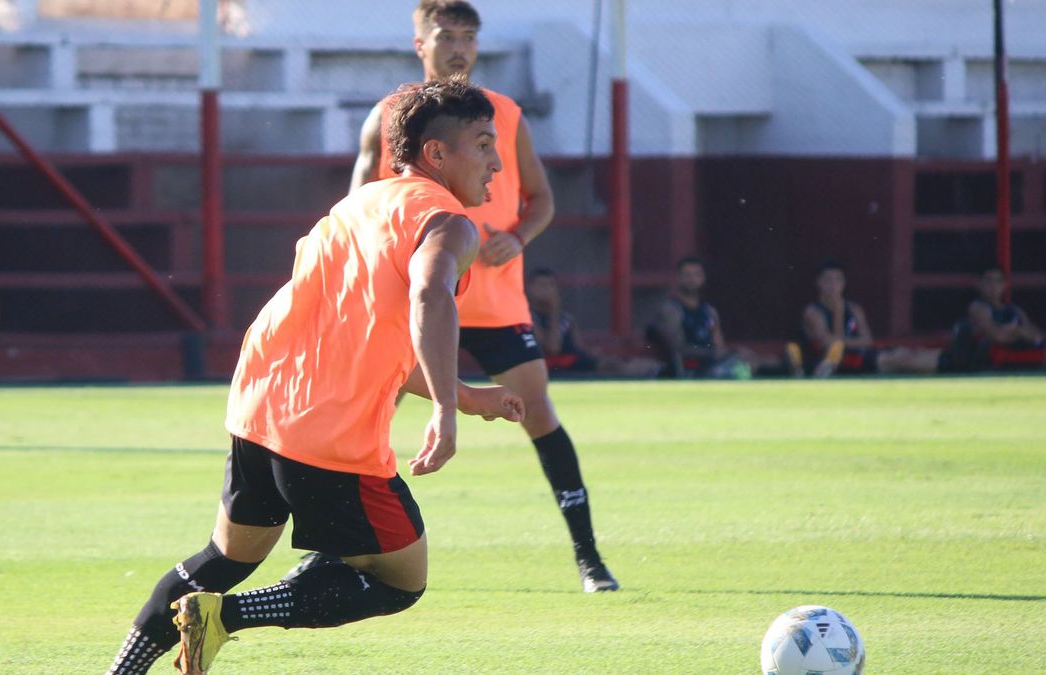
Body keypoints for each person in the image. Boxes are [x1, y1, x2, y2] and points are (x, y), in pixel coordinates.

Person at [104, 78, 526, 675]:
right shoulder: (450, 224)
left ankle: (122, 670)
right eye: (483, 144)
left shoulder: (359, 204)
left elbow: (367, 342)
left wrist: (462, 395)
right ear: (436, 154)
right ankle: (226, 617)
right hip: (328, 438)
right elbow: (430, 296)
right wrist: (446, 415)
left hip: (259, 409)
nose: (497, 161)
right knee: (399, 581)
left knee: (224, 556)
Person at [328, 0, 618, 593]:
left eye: (468, 37)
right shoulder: (388, 120)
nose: (458, 47)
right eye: (445, 35)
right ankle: (330, 551)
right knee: (367, 419)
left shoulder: (504, 115)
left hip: (494, 302)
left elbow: (542, 200)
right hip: (409, 304)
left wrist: (516, 236)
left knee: (538, 414)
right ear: (420, 44)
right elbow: (355, 216)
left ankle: (589, 557)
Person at [645, 256, 792, 379]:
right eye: (687, 275)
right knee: (741, 365)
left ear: (703, 278)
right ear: (679, 278)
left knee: (756, 358)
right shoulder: (672, 310)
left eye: (696, 275)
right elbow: (678, 348)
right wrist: (715, 353)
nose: (692, 279)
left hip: (713, 362)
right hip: (691, 367)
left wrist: (729, 352)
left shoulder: (709, 311)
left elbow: (718, 344)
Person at [801, 260, 946, 376]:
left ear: (843, 283)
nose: (833, 285)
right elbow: (833, 348)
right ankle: (948, 365)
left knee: (905, 353)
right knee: (900, 360)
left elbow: (867, 341)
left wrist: (851, 342)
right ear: (819, 283)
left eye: (838, 280)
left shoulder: (854, 308)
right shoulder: (813, 312)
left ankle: (947, 361)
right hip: (844, 362)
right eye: (828, 280)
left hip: (865, 354)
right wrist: (838, 313)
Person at [526, 267, 661, 377]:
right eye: (541, 285)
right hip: (548, 366)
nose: (547, 290)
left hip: (573, 361)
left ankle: (652, 371)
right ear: (530, 288)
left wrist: (593, 353)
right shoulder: (527, 316)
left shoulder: (566, 319)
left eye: (551, 285)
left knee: (610, 363)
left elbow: (578, 347)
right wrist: (554, 311)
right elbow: (552, 348)